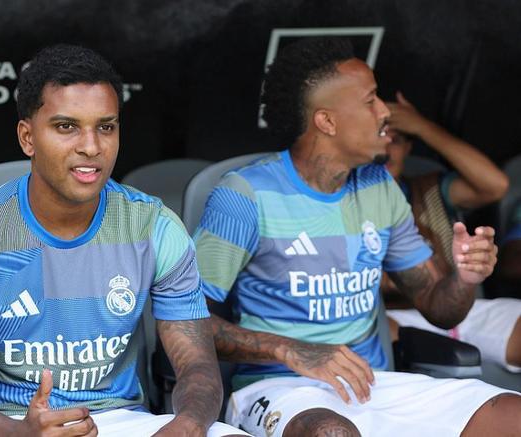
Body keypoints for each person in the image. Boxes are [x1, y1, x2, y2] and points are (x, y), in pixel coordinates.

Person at [193, 38, 521, 437]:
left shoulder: (378, 186)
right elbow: (186, 322)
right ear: (326, 121)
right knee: (330, 433)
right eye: (370, 101)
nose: (385, 112)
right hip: (281, 388)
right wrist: (292, 349)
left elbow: (441, 309)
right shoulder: (245, 195)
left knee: (512, 415)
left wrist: (464, 278)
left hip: (372, 384)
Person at [0, 44, 246, 437]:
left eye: (105, 127)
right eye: (66, 127)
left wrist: (188, 425)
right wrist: (18, 433)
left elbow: (198, 365)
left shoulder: (154, 226)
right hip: (14, 423)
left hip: (120, 420)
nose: (91, 147)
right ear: (27, 137)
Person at [380, 97, 521, 372]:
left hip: (462, 306)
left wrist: (421, 126)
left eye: (396, 140)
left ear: (408, 147)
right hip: (396, 318)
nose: (386, 148)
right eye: (380, 135)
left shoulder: (428, 187)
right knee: (380, 336)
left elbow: (495, 185)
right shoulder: (343, 198)